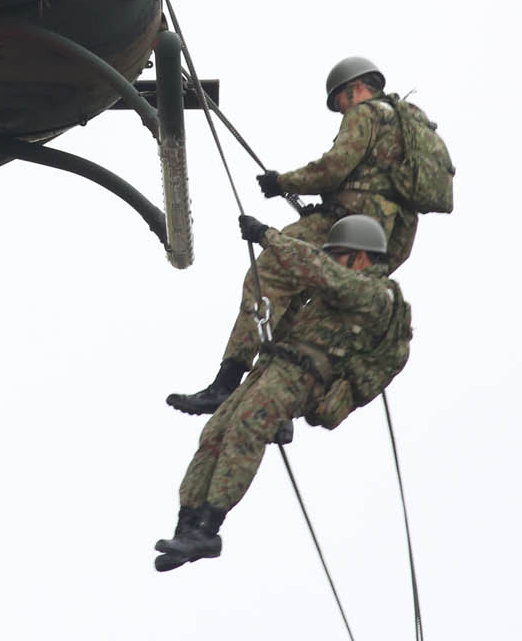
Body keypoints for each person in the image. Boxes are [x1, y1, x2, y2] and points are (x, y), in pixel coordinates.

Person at [155, 214, 409, 570]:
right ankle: (187, 526)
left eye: (339, 254)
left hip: (303, 376)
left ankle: (208, 529)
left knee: (246, 428)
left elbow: (318, 267)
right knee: (215, 433)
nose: (333, 260)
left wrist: (268, 236)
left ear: (362, 256)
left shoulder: (374, 294)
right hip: (276, 365)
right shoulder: (339, 289)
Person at [167, 55, 417, 415]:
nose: (341, 108)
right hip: (384, 239)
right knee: (297, 297)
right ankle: (277, 405)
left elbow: (334, 167)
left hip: (349, 224)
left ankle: (226, 382)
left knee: (268, 273)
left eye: (340, 100)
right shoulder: (403, 128)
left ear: (357, 87)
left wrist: (283, 182)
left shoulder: (366, 114)